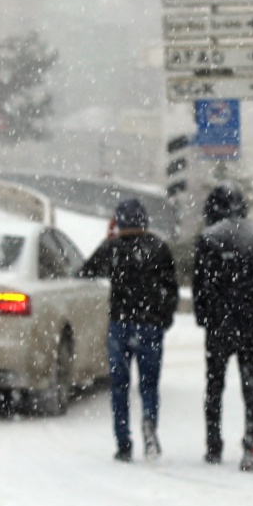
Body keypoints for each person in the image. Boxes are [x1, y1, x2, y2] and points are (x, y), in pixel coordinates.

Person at [78, 197, 179, 462]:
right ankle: (149, 423)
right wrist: (164, 319)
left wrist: (109, 238)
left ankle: (123, 443)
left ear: (119, 221)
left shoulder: (113, 248)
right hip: (150, 325)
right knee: (149, 384)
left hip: (120, 324)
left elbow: (85, 272)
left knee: (120, 386)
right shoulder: (158, 247)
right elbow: (170, 289)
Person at [192, 183, 253, 472]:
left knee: (215, 385)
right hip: (252, 321)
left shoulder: (208, 239)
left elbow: (199, 285)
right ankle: (251, 442)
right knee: (251, 383)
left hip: (220, 323)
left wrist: (204, 316)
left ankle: (213, 444)